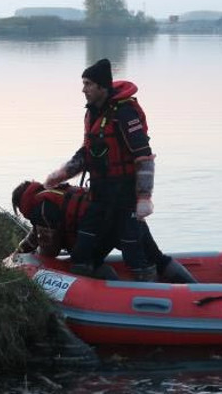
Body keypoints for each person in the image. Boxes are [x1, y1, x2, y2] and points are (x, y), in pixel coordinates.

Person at [44, 58, 158, 281]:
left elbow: (144, 157)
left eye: (88, 84)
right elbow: (88, 152)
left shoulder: (124, 113)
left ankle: (150, 288)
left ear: (101, 86)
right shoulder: (92, 113)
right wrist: (62, 174)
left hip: (125, 195)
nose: (83, 89)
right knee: (83, 247)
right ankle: (89, 286)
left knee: (133, 248)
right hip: (100, 194)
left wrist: (144, 197)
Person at [12, 180, 196, 283]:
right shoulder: (52, 195)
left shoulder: (42, 209)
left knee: (89, 264)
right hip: (128, 217)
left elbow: (49, 250)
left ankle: (113, 288)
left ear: (21, 204)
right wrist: (21, 251)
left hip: (100, 233)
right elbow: (37, 233)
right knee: (157, 258)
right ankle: (194, 288)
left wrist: (36, 257)